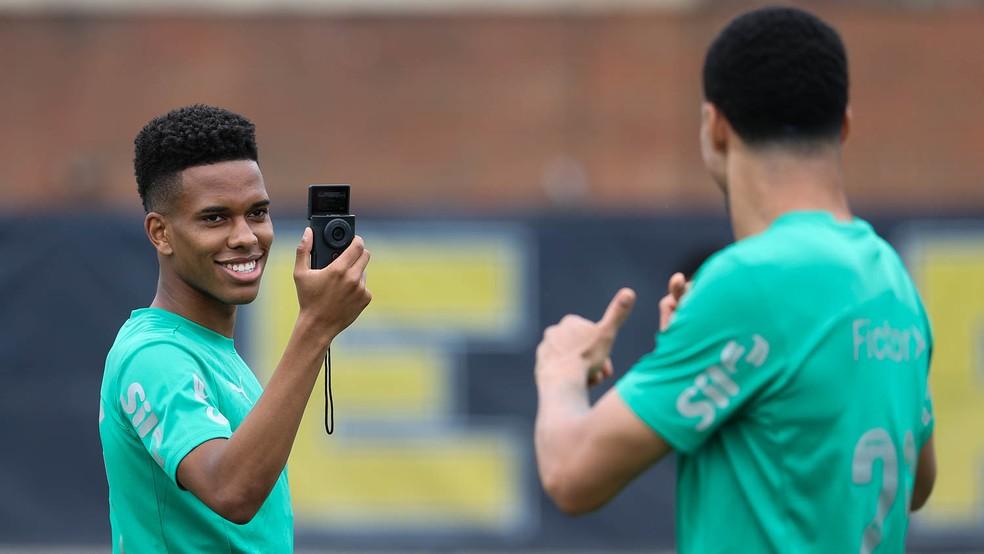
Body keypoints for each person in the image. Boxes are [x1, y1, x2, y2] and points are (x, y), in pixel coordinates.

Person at [533, 6, 936, 553]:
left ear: (715, 126)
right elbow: (918, 481)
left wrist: (560, 369)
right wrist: (706, 353)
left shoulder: (752, 283)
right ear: (844, 124)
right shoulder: (892, 278)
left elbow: (571, 474)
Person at [98, 104, 371, 552]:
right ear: (160, 233)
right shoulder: (153, 356)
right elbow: (231, 490)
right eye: (215, 217)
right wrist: (316, 326)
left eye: (257, 213)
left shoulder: (212, 350)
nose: (246, 236)